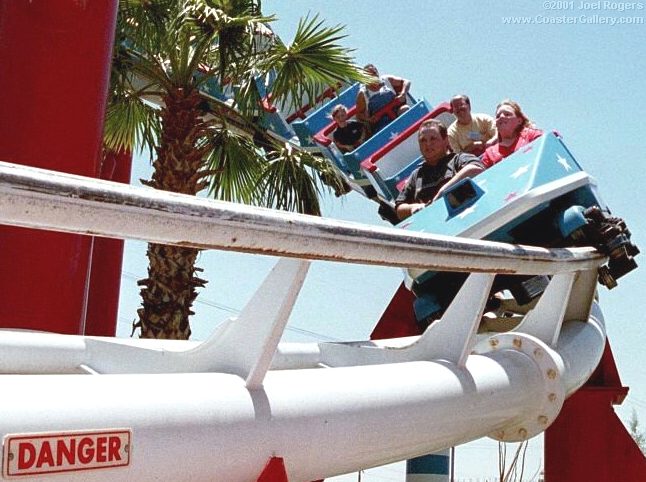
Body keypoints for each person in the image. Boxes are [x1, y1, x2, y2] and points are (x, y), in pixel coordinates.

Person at [395, 119, 485, 220]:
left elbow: (476, 169)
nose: (428, 144)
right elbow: (399, 208)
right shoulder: (416, 176)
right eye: (423, 140)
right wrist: (413, 208)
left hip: (468, 217)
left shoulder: (458, 159)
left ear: (445, 140)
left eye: (433, 139)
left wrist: (442, 193)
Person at [481, 100, 543, 168]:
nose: (501, 117)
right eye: (498, 116)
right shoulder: (490, 152)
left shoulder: (530, 135)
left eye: (507, 114)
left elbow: (547, 145)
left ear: (519, 121)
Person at [355, 64, 411, 135]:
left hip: (396, 111)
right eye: (370, 75)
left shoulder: (386, 80)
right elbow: (359, 114)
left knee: (405, 109)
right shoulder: (363, 93)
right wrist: (369, 119)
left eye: (374, 73)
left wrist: (403, 93)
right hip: (380, 122)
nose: (373, 76)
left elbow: (406, 82)